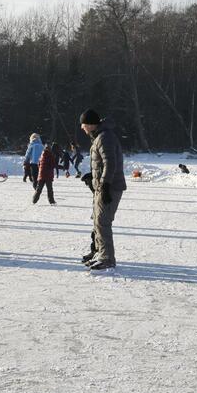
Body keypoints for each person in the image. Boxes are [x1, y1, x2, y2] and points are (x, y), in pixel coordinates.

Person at [80, 109, 126, 271]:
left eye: (84, 124)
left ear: (92, 124)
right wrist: (92, 176)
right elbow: (101, 164)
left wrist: (105, 185)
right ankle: (100, 254)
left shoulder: (104, 137)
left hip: (110, 187)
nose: (82, 127)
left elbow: (110, 163)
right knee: (97, 221)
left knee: (102, 222)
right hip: (103, 186)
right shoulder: (100, 137)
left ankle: (107, 258)